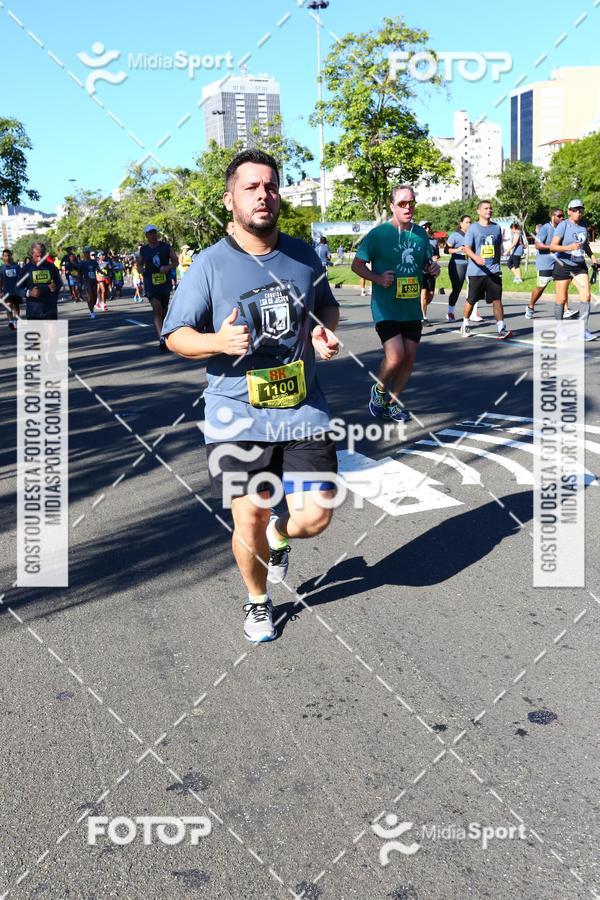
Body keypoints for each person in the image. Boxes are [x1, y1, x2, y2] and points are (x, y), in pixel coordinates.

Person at [162, 149, 340, 643]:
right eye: (251, 187)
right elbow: (175, 334)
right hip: (236, 413)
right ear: (230, 199)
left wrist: (324, 333)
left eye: (271, 186)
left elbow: (325, 306)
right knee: (252, 512)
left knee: (315, 516)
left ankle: (281, 537)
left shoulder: (305, 255)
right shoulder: (210, 266)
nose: (264, 195)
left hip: (304, 409)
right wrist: (217, 342)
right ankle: (258, 602)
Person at [351, 185, 440, 421]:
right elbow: (356, 265)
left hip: (411, 307)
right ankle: (379, 390)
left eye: (411, 202)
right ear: (392, 206)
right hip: (386, 307)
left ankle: (393, 403)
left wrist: (432, 268)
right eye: (402, 203)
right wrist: (378, 278)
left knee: (409, 358)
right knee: (396, 357)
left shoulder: (420, 234)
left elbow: (425, 262)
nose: (408, 207)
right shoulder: (378, 235)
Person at [460, 200, 512, 340]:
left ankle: (501, 328)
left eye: (490, 208)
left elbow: (498, 247)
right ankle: (465, 323)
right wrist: (476, 258)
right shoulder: (473, 228)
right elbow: (467, 248)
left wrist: (499, 260)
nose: (489, 210)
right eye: (485, 208)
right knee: (471, 300)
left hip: (493, 270)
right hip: (476, 271)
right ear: (478, 211)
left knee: (497, 300)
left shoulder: (496, 228)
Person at [549, 199, 599, 341]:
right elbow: (553, 247)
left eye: (581, 210)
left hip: (579, 266)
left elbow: (585, 245)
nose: (578, 213)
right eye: (575, 210)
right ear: (569, 211)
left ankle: (583, 330)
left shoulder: (584, 224)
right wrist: (568, 248)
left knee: (586, 296)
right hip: (563, 265)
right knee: (562, 298)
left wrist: (593, 259)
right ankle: (559, 329)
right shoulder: (563, 225)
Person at [525, 208, 575, 320]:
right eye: (559, 216)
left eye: (563, 216)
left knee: (563, 286)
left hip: (559, 262)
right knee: (541, 287)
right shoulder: (546, 228)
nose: (562, 218)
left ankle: (566, 310)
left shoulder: (563, 228)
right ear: (553, 217)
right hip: (545, 263)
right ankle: (530, 306)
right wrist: (552, 247)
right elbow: (538, 245)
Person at [136, 225, 179, 351]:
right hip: (150, 283)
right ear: (146, 236)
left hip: (164, 284)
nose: (153, 235)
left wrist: (167, 268)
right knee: (157, 308)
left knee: (164, 310)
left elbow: (176, 261)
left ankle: (165, 331)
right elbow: (139, 264)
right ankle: (161, 338)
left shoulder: (165, 247)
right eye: (150, 233)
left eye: (154, 233)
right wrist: (140, 269)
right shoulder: (143, 250)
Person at [20, 241, 62, 319]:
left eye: (42, 256)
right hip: (34, 310)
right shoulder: (26, 269)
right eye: (37, 256)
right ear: (32, 254)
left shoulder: (51, 267)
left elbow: (59, 283)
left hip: (50, 309)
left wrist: (55, 287)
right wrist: (29, 293)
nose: (40, 258)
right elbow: (17, 288)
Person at [445, 215, 471, 321]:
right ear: (461, 224)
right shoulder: (455, 235)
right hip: (457, 264)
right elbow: (446, 250)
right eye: (466, 222)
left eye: (470, 222)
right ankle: (450, 312)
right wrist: (457, 250)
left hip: (470, 264)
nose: (469, 224)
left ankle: (472, 313)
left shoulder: (471, 234)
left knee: (474, 288)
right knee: (457, 289)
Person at [419, 220, 440, 326]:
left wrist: (436, 258)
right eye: (424, 227)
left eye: (428, 227)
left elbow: (437, 254)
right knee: (423, 294)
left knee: (430, 295)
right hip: (420, 271)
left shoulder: (433, 241)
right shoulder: (417, 240)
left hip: (431, 271)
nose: (427, 229)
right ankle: (424, 317)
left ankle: (419, 309)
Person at [1, 248, 22, 329]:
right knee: (8, 305)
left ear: (11, 256)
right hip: (7, 291)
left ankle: (16, 321)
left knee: (16, 306)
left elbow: (21, 277)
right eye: (5, 256)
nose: (7, 257)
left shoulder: (16, 266)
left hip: (16, 290)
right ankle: (11, 321)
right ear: (3, 257)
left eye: (9, 255)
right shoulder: (1, 268)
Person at [79, 247, 99, 319]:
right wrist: (79, 282)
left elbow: (98, 269)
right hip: (87, 281)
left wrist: (105, 274)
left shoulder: (94, 262)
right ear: (83, 253)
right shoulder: (82, 262)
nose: (86, 253)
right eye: (85, 252)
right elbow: (79, 273)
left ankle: (92, 306)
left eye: (88, 252)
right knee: (90, 296)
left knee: (95, 296)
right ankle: (92, 311)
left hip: (94, 281)